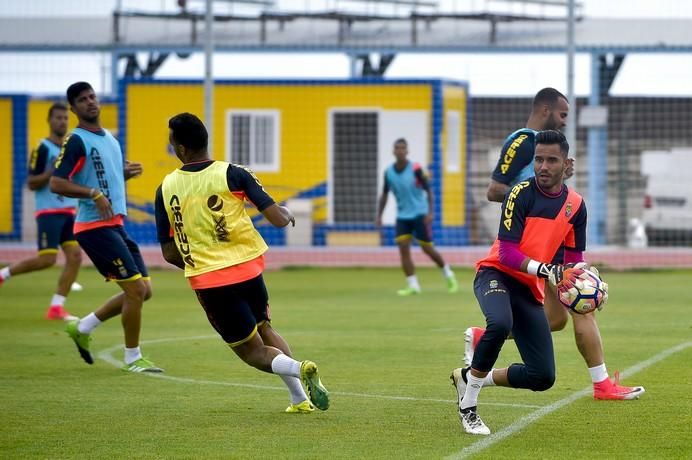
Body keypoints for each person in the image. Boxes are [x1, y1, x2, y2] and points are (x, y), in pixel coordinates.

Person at [461, 87, 644, 401]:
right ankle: (601, 384)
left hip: (554, 231)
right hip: (528, 237)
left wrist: (556, 184)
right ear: (546, 111)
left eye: (550, 161)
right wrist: (533, 195)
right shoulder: (523, 140)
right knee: (580, 307)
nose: (563, 121)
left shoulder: (555, 166)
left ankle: (487, 337)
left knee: (559, 317)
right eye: (562, 114)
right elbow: (495, 190)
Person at [155, 112, 329, 413]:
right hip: (249, 268)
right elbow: (276, 218)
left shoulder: (166, 188)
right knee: (265, 327)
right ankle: (299, 399)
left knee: (251, 352)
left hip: (210, 279)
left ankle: (299, 367)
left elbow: (169, 252)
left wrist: (199, 264)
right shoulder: (234, 173)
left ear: (180, 148)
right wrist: (286, 214)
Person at [452, 130, 598, 435]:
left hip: (529, 288)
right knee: (500, 323)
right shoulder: (519, 193)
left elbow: (572, 258)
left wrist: (587, 278)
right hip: (495, 274)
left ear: (567, 163)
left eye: (551, 160)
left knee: (542, 377)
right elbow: (506, 252)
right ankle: (469, 407)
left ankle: (469, 376)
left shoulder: (576, 206)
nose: (543, 166)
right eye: (538, 159)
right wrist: (548, 271)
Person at [50, 81, 161, 373]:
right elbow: (57, 182)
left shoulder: (111, 140)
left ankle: (83, 327)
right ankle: (133, 357)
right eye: (82, 100)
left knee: (144, 290)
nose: (90, 102)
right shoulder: (76, 139)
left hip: (115, 224)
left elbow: (102, 178)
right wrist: (93, 194)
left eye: (92, 97)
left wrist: (122, 174)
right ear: (74, 109)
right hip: (92, 228)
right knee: (135, 290)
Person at [0, 103, 82, 320]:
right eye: (58, 118)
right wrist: (50, 172)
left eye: (65, 118)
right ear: (49, 120)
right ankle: (3, 274)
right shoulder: (42, 148)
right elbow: (31, 182)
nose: (62, 121)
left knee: (75, 257)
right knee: (47, 259)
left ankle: (56, 307)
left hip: (69, 211)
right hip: (48, 212)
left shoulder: (69, 148)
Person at [375, 138, 458, 296]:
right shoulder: (388, 173)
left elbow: (429, 191)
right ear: (393, 151)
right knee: (403, 249)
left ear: (407, 151)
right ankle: (413, 285)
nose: (400, 150)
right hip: (402, 216)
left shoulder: (416, 169)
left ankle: (448, 274)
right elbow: (384, 195)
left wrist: (430, 213)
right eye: (397, 148)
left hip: (420, 214)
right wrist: (379, 215)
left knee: (427, 248)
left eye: (402, 148)